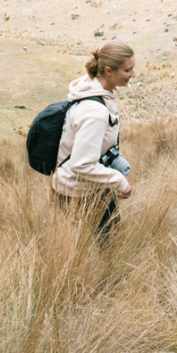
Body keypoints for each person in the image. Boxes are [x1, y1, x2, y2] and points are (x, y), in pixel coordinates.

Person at [52, 41, 135, 236]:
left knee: (109, 237)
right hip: (76, 192)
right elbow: (81, 164)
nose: (133, 74)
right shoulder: (94, 112)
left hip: (90, 185)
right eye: (127, 70)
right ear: (108, 71)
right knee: (98, 246)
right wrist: (119, 181)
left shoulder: (96, 90)